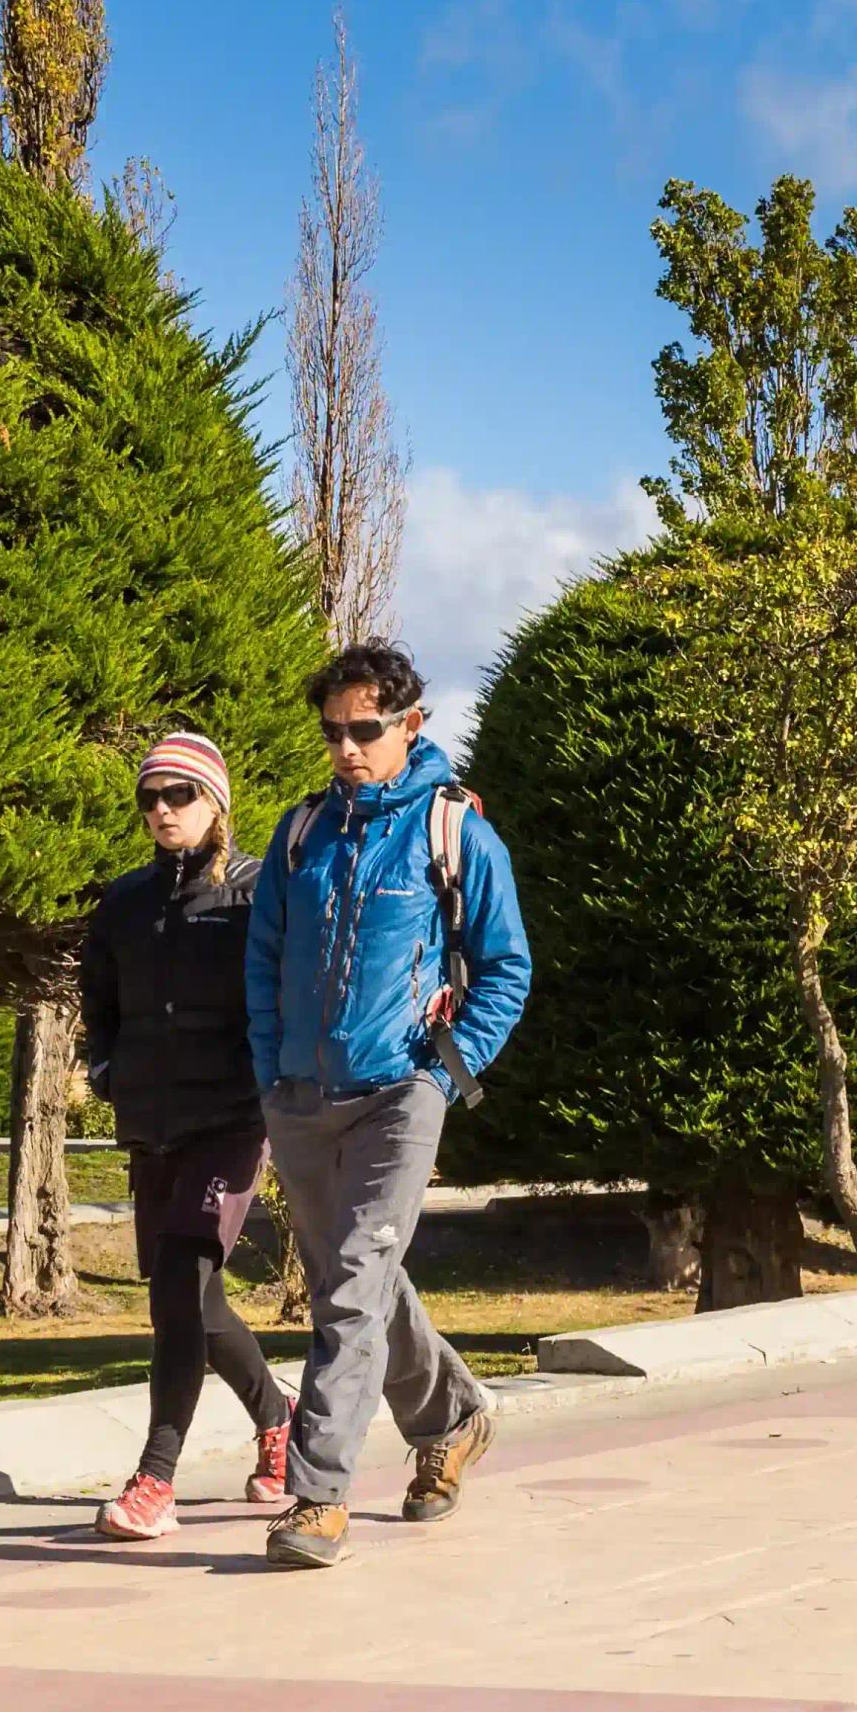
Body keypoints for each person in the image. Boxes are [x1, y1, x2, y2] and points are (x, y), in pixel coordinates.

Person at [243, 641, 531, 1570]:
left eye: (364, 729)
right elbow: (263, 966)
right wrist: (267, 1070)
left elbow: (506, 970)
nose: (346, 748)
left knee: (352, 1287)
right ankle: (452, 1418)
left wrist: (446, 1073)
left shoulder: (455, 832)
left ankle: (319, 1497)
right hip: (299, 1095)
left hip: (402, 1089)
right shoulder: (300, 835)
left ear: (411, 725)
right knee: (361, 1285)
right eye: (332, 731)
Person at [80, 732, 294, 1539]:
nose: (163, 810)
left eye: (180, 795)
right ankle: (280, 1417)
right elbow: (97, 998)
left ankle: (155, 1481)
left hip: (232, 1124)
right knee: (198, 1302)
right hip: (151, 1125)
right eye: (150, 798)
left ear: (217, 804)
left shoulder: (251, 895)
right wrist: (106, 1070)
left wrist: (270, 1085)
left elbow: (281, 995)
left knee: (176, 1291)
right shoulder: (125, 902)